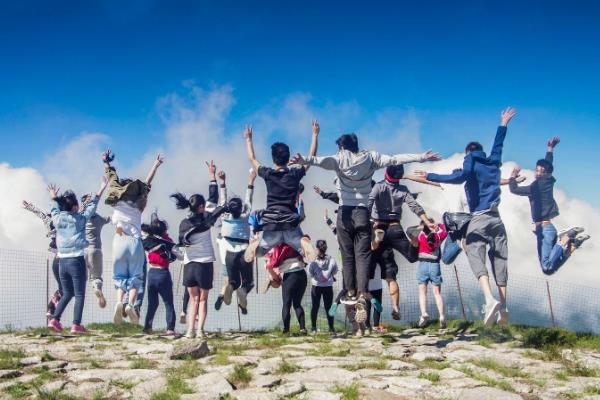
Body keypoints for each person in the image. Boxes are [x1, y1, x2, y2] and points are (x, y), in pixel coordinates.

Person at [292, 122, 441, 322]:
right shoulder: (371, 158)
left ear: (343, 147)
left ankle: (351, 292)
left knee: (348, 256)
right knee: (363, 256)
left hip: (344, 213)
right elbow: (396, 158)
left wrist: (304, 159)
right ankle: (363, 294)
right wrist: (422, 157)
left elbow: (320, 161)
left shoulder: (339, 159)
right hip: (363, 213)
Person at [416, 107, 517, 326]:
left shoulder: (470, 162)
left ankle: (489, 300)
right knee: (500, 261)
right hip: (497, 220)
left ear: (468, 153)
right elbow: (498, 146)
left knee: (474, 253)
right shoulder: (493, 162)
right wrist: (503, 124)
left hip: (479, 218)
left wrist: (430, 174)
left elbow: (460, 176)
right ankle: (505, 307)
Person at [509, 137, 589, 274]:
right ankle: (573, 245)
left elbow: (514, 190)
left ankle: (566, 237)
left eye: (541, 171)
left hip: (545, 230)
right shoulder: (547, 182)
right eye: (537, 170)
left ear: (546, 173)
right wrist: (550, 150)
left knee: (546, 266)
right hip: (546, 228)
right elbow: (547, 164)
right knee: (549, 269)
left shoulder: (534, 187)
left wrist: (512, 177)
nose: (538, 172)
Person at [368, 164, 437, 321]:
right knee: (410, 260)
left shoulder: (378, 186)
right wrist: (426, 221)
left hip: (379, 226)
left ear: (386, 174)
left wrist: (367, 222)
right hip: (396, 228)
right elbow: (415, 207)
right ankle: (395, 307)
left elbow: (369, 203)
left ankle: (377, 239)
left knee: (372, 248)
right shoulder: (403, 189)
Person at [102, 148, 163, 325]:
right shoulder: (139, 207)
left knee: (120, 277)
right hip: (136, 243)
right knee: (136, 277)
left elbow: (112, 177)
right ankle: (130, 304)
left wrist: (106, 162)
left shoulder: (117, 204)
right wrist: (155, 165)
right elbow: (146, 184)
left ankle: (119, 302)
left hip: (118, 241)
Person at [243, 124, 316, 264]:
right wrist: (315, 134)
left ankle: (256, 244)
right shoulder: (295, 174)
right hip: (290, 223)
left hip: (271, 224)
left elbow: (252, 158)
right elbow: (311, 158)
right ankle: (303, 242)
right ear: (288, 158)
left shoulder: (268, 174)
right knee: (302, 248)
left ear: (273, 159)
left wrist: (249, 139)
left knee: (260, 252)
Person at [172, 161, 229, 339]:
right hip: (205, 264)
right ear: (202, 207)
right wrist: (213, 176)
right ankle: (200, 331)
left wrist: (180, 252)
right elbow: (215, 200)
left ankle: (189, 331)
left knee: (193, 300)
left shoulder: (184, 224)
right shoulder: (207, 218)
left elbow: (180, 246)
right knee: (203, 300)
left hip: (190, 265)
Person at [46, 180, 103, 333]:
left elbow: (54, 208)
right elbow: (91, 208)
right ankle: (76, 324)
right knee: (79, 294)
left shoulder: (57, 219)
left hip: (61, 262)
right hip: (76, 260)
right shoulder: (80, 219)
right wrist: (100, 190)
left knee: (67, 292)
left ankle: (55, 320)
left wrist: (54, 197)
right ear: (75, 206)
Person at [215, 168, 257, 314]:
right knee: (248, 283)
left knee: (233, 281)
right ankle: (243, 292)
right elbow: (249, 199)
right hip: (244, 252)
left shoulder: (224, 216)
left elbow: (222, 201)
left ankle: (231, 288)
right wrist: (251, 181)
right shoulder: (245, 215)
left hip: (229, 253)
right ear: (241, 208)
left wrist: (223, 183)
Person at [141, 212, 181, 336]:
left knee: (153, 303)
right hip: (163, 273)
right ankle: (170, 329)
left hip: (151, 273)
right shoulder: (168, 241)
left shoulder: (147, 240)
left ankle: (147, 327)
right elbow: (179, 252)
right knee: (168, 302)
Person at [22, 200, 62, 319]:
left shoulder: (50, 221)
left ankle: (52, 310)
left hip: (56, 258)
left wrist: (30, 207)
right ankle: (54, 310)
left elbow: (41, 214)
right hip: (65, 258)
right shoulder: (65, 221)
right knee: (69, 289)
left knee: (64, 288)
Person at [80, 179, 110, 309]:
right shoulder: (99, 219)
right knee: (96, 276)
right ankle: (97, 287)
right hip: (96, 249)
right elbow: (109, 219)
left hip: (82, 251)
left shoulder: (79, 218)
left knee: (81, 277)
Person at [265, 242, 308, 334]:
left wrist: (277, 280)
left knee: (286, 304)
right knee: (297, 304)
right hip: (302, 274)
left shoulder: (276, 248)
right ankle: (303, 328)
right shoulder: (295, 243)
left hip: (290, 275)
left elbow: (270, 267)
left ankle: (286, 330)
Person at [416, 219, 448, 329]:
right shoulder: (439, 236)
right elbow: (445, 228)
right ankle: (442, 316)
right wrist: (437, 226)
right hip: (435, 265)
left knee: (422, 292)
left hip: (423, 265)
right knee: (437, 293)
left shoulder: (420, 235)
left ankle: (424, 313)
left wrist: (422, 226)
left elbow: (410, 231)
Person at [308, 240, 337, 334]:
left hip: (316, 286)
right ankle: (331, 328)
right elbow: (335, 271)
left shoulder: (313, 261)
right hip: (328, 286)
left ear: (316, 249)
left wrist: (317, 277)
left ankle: (313, 328)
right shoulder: (332, 259)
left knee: (315, 307)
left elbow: (310, 273)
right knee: (329, 307)